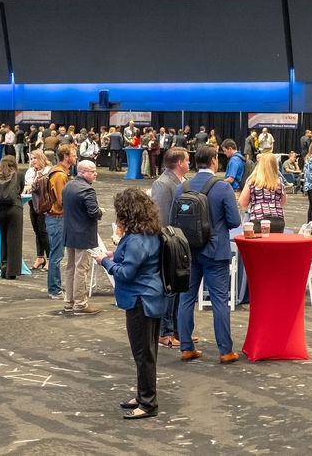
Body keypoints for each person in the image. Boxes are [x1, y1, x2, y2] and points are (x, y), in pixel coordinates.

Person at [93, 188, 167, 419]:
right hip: (151, 296)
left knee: (143, 354)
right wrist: (116, 256)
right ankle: (144, 395)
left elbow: (126, 274)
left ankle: (147, 403)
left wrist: (105, 261)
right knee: (147, 351)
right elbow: (137, 261)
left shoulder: (135, 238)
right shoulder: (150, 232)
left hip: (139, 300)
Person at [177, 145, 241, 364]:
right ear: (214, 160)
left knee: (186, 299)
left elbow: (172, 221)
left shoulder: (182, 187)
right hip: (215, 252)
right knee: (219, 301)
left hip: (188, 251)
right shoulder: (222, 187)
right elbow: (234, 221)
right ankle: (225, 351)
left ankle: (186, 348)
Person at [150, 146, 190, 347]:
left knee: (177, 288)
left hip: (177, 242)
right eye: (187, 160)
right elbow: (161, 218)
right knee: (169, 290)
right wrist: (169, 243)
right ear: (180, 163)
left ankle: (176, 330)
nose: (190, 163)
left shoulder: (178, 182)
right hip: (168, 243)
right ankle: (165, 333)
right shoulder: (163, 184)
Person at [61, 160, 103, 315]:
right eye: (92, 171)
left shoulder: (68, 186)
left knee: (70, 267)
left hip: (69, 233)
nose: (95, 174)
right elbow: (93, 212)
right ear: (83, 172)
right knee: (81, 269)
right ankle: (80, 304)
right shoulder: (88, 190)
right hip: (83, 234)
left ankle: (68, 302)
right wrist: (100, 212)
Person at [45, 144, 76, 300]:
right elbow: (62, 200)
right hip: (56, 218)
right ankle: (54, 289)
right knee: (56, 255)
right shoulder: (60, 175)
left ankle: (55, 287)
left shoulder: (60, 172)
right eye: (74, 154)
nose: (76, 157)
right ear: (66, 156)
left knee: (56, 254)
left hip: (56, 218)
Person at [0, 155, 24, 279]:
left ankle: (3, 267)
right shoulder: (19, 174)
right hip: (14, 209)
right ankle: (11, 272)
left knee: (3, 239)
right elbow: (20, 190)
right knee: (14, 241)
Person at [239, 152, 286, 233]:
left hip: (259, 220)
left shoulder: (252, 181)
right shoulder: (280, 182)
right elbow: (282, 202)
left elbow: (242, 203)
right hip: (278, 221)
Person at [24, 150, 51, 271]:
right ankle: (40, 257)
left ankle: (50, 258)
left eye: (35, 158)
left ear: (41, 158)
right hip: (31, 203)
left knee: (43, 231)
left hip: (43, 204)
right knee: (36, 231)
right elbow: (26, 185)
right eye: (31, 158)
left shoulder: (48, 170)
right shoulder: (29, 171)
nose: (33, 160)